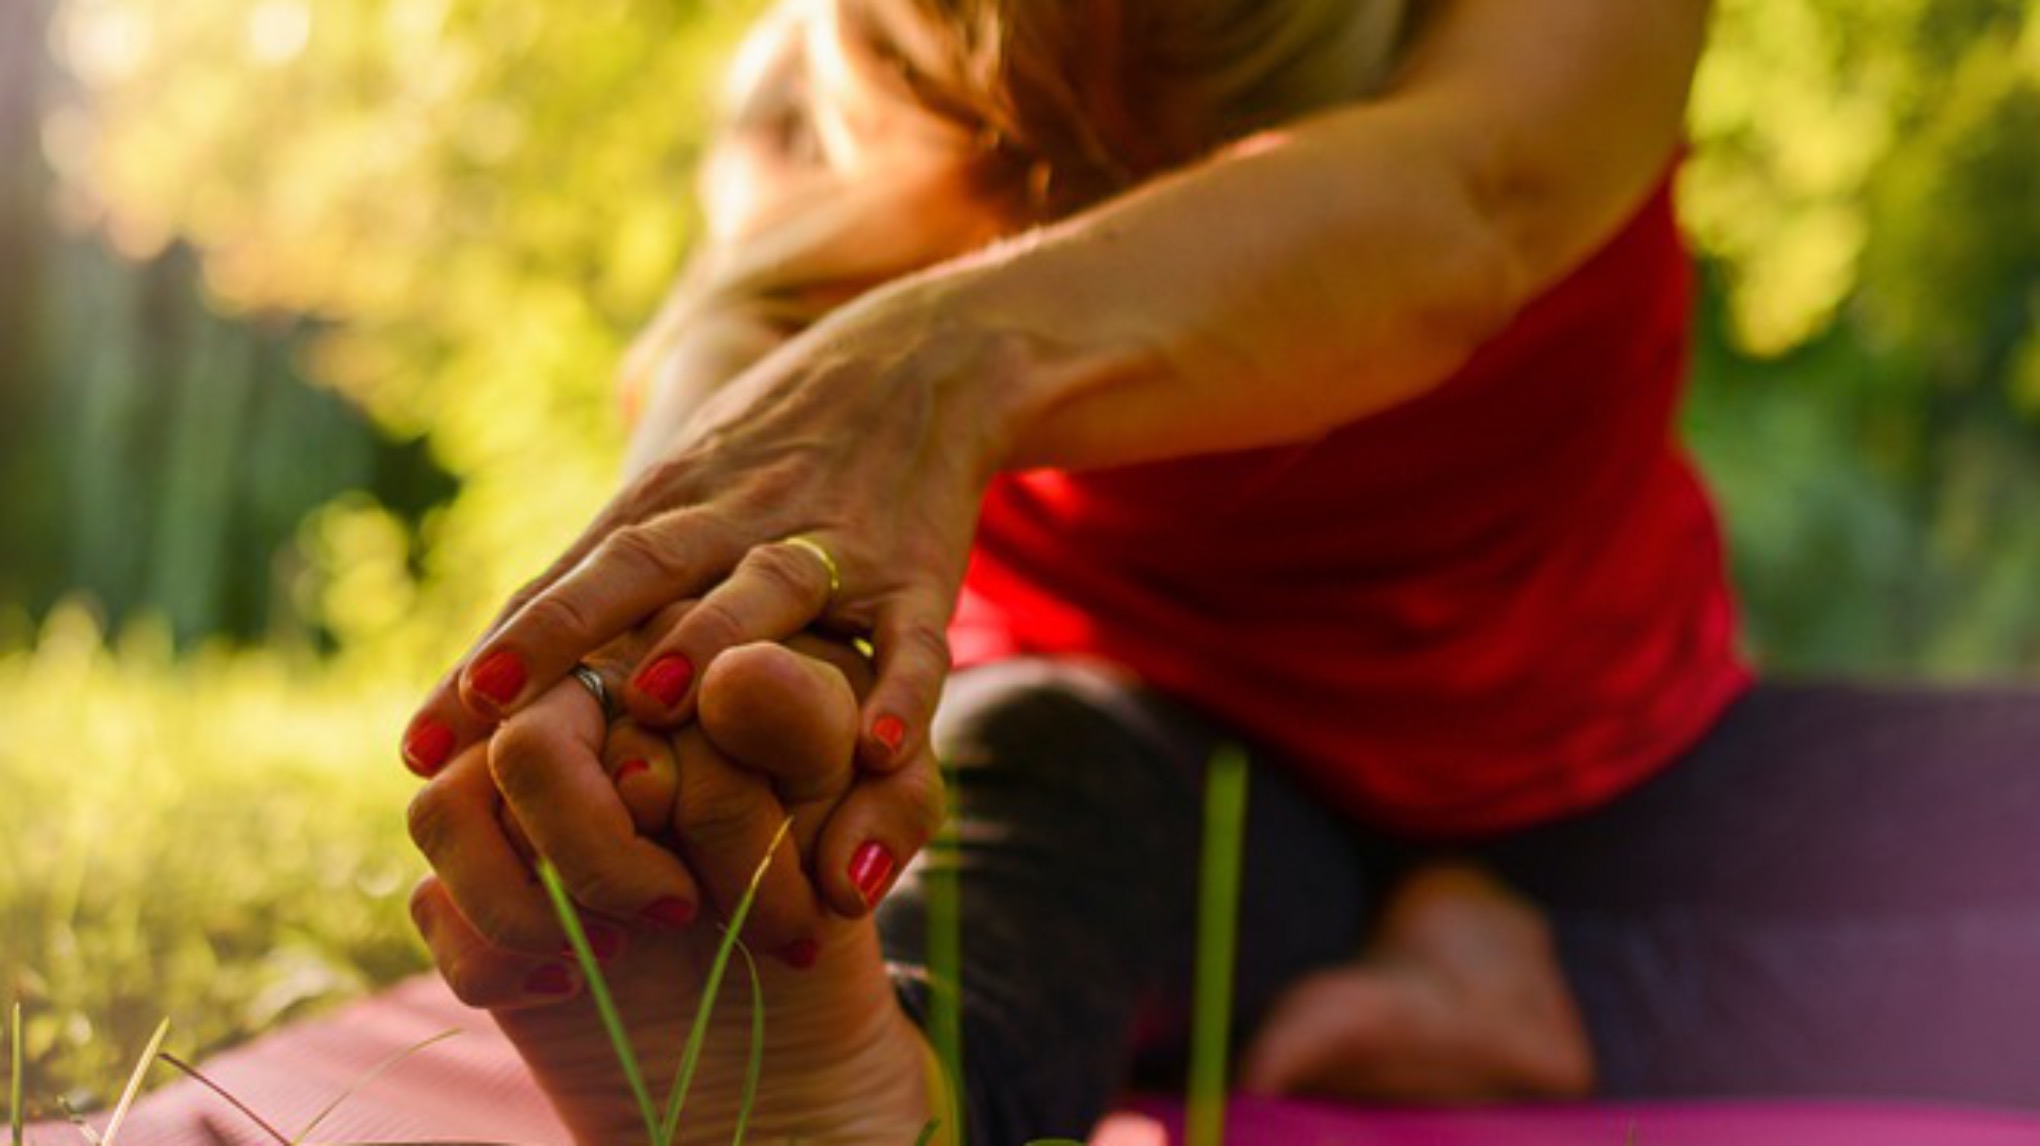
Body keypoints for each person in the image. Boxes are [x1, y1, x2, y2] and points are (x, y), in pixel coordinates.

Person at [400, 0, 2040, 1142]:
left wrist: (931, 360)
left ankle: (1559, 1001)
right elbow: (725, 384)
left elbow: (1466, 207)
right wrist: (666, 716)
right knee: (1033, 803)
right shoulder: (827, 102)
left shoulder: (1559, 44)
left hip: (1626, 766)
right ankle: (850, 1085)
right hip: (1166, 770)